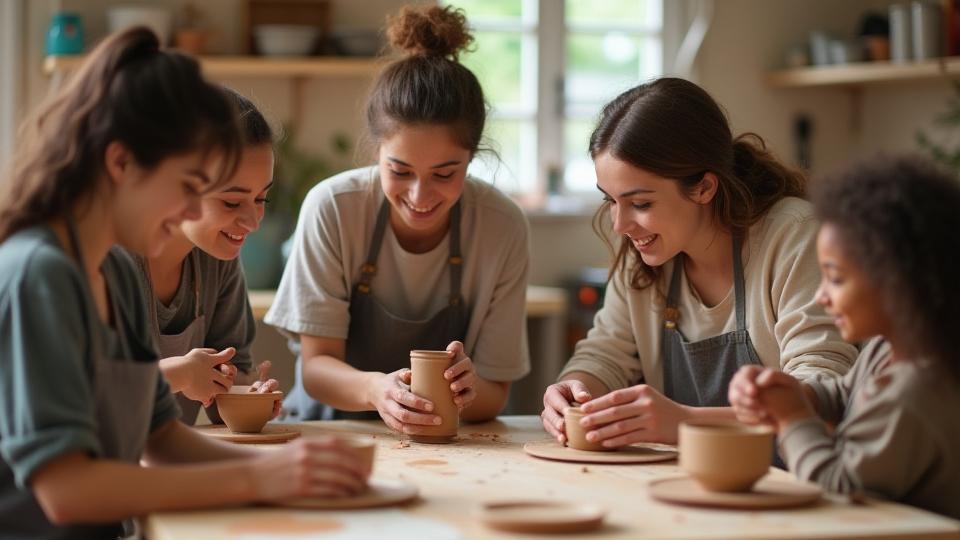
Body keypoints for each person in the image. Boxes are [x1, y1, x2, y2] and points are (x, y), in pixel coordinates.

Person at [0, 28, 367, 539]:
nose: (196, 212)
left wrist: (296, 467)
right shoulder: (39, 273)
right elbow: (67, 492)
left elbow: (162, 437)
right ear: (121, 163)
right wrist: (258, 477)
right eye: (188, 188)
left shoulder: (115, 275)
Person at [541, 78, 857, 447]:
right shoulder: (644, 256)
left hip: (798, 482)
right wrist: (573, 391)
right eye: (611, 200)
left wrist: (686, 422)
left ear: (705, 188)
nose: (620, 225)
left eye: (640, 204)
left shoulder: (795, 236)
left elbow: (821, 392)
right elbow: (606, 355)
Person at [265, 5, 531, 432]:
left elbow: (495, 391)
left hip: (445, 438)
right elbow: (317, 368)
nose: (420, 196)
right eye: (400, 171)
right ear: (376, 153)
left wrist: (466, 391)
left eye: (445, 174)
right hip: (333, 430)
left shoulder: (502, 225)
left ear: (472, 158)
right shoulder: (334, 206)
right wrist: (376, 391)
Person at [728, 156, 960, 520]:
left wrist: (792, 420)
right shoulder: (888, 348)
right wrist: (798, 394)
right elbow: (845, 394)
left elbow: (838, 486)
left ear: (895, 284)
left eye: (835, 278)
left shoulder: (915, 390)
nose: (821, 296)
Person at [129, 88, 279, 424]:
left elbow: (225, 380)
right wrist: (180, 374)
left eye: (261, 199)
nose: (253, 222)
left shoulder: (218, 259)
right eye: (231, 202)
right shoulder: (108, 257)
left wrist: (247, 392)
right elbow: (81, 391)